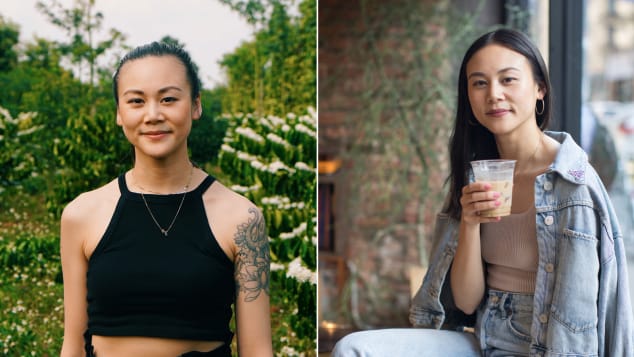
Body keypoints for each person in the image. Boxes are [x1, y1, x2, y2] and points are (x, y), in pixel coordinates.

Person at [332, 28, 633, 356]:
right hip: (485, 339)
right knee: (354, 348)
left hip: (547, 347)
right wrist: (470, 223)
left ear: (539, 89)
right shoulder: (478, 172)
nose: (494, 94)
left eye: (508, 80)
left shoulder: (572, 184)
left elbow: (585, 314)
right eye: (479, 82)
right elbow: (466, 301)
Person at [59, 42, 273, 357]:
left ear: (196, 105)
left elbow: (257, 351)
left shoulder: (242, 219)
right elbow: (73, 346)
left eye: (169, 99)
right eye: (136, 101)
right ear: (119, 113)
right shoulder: (81, 214)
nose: (153, 115)